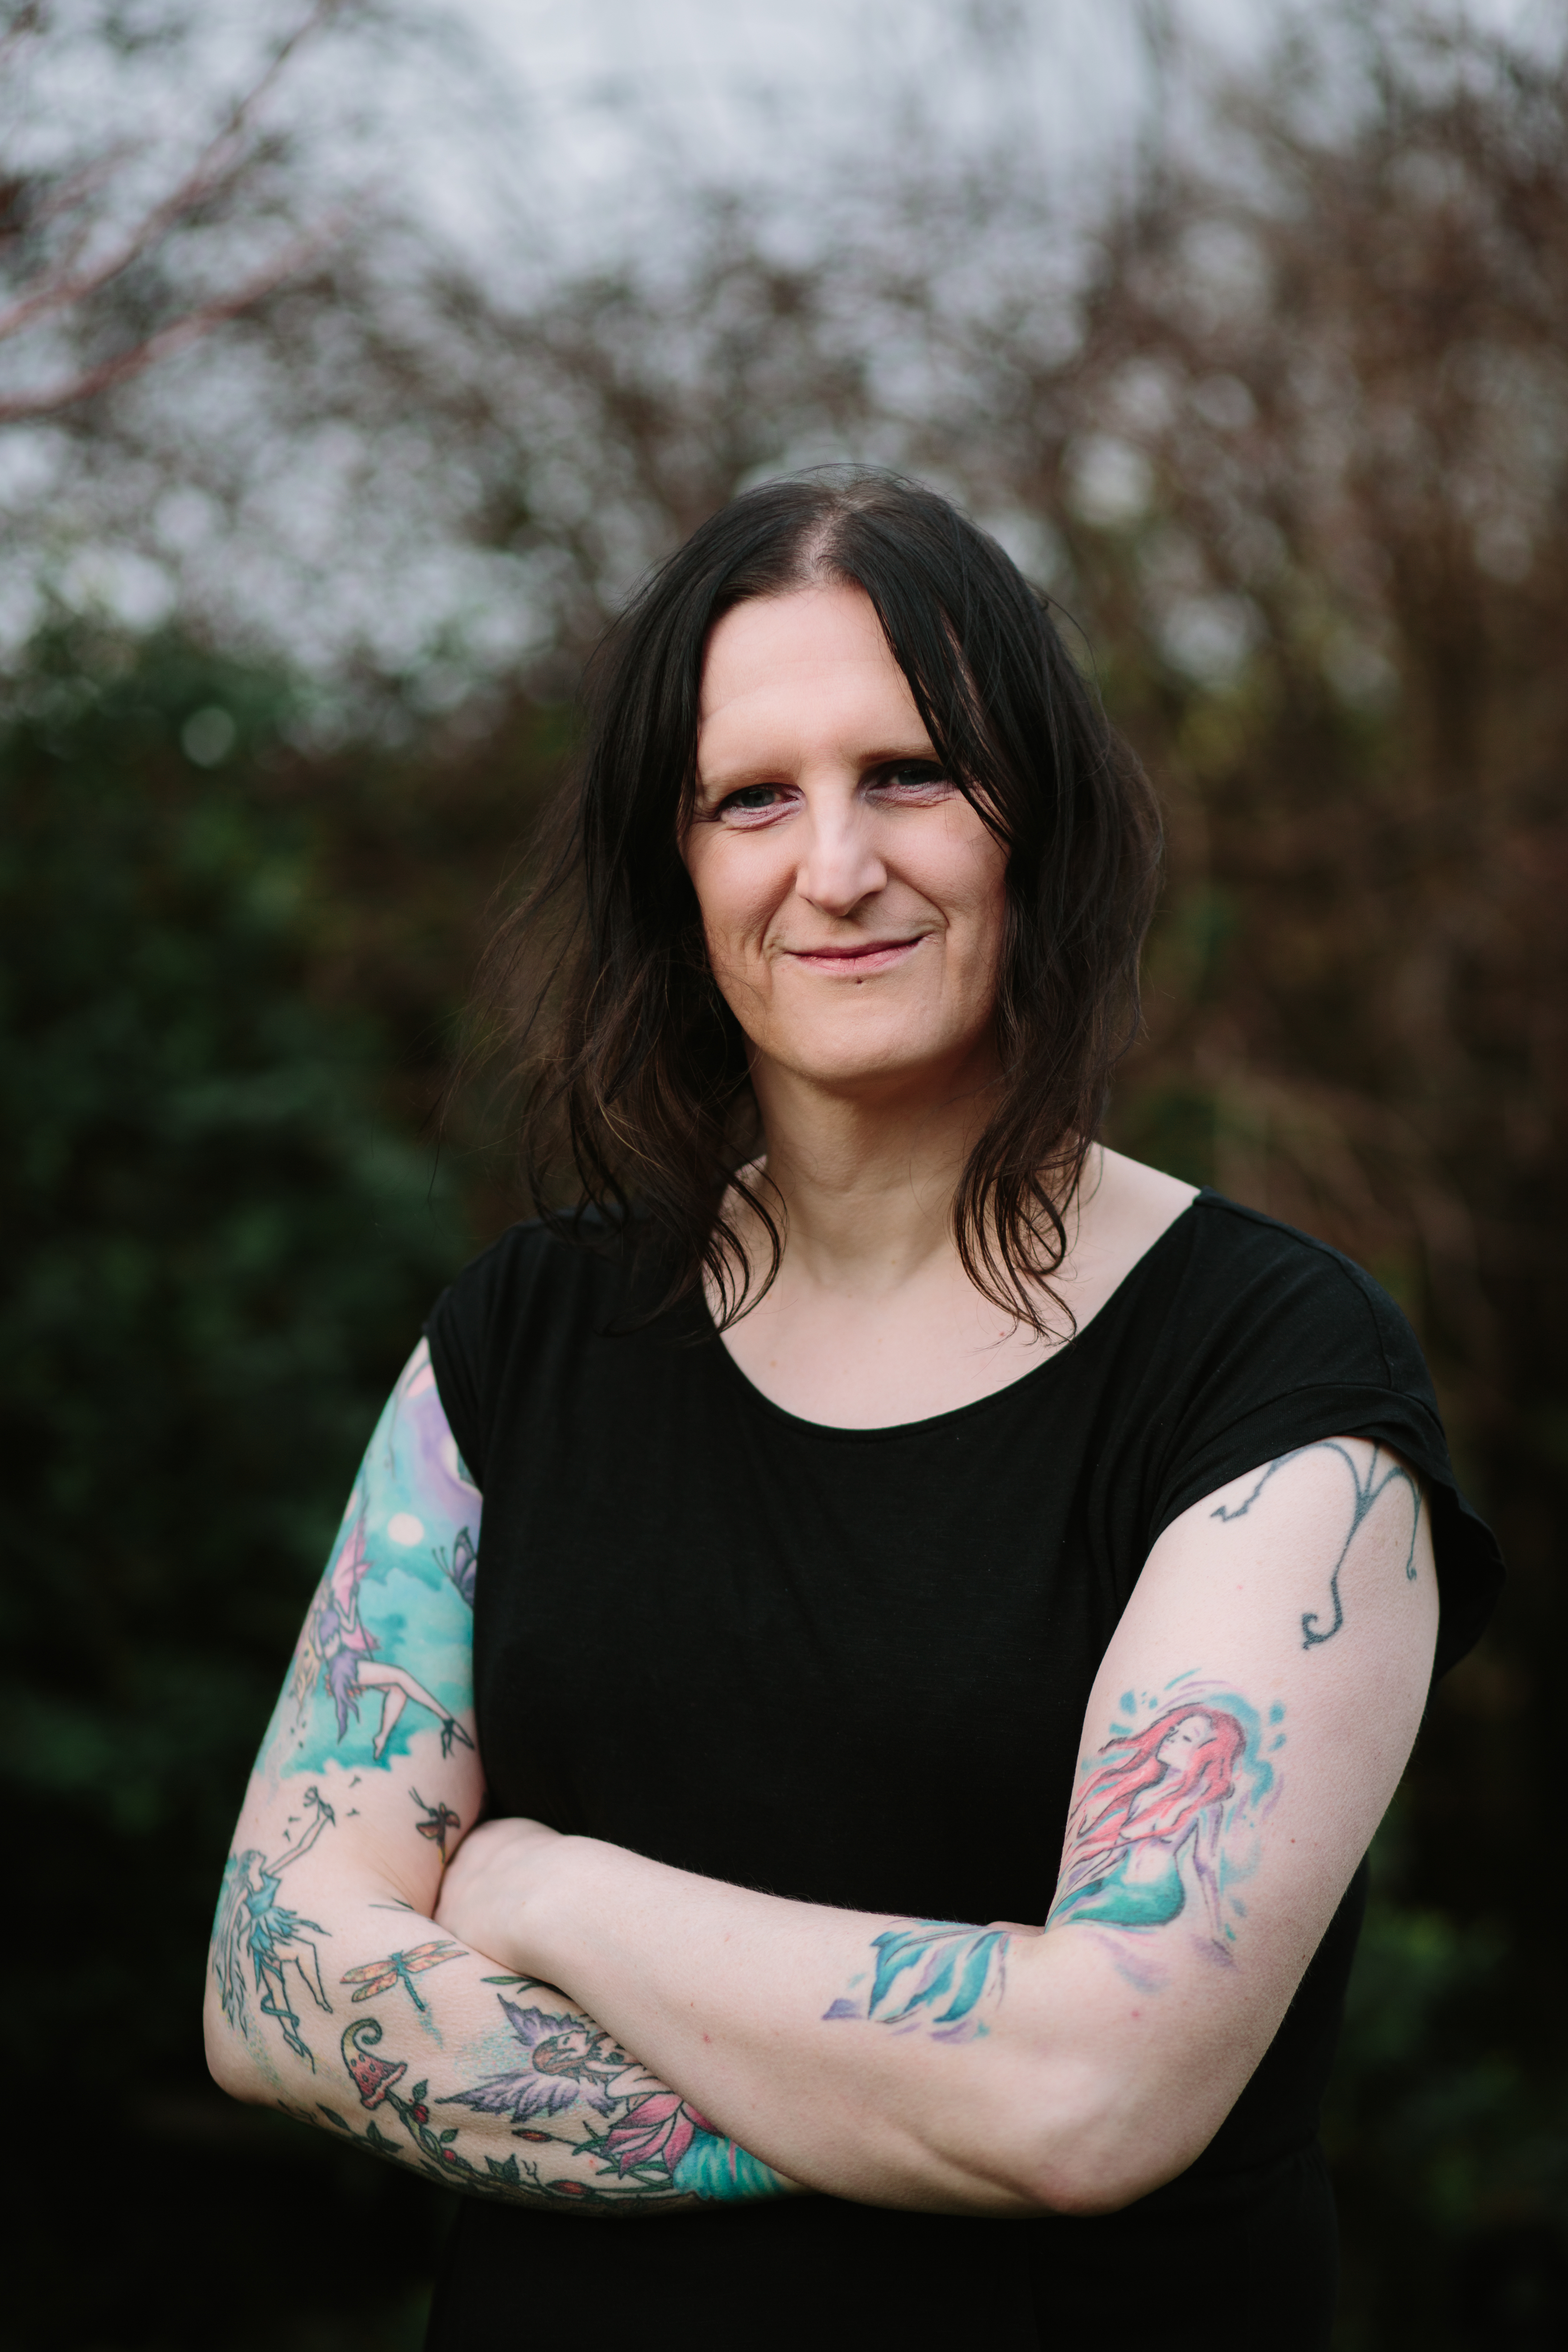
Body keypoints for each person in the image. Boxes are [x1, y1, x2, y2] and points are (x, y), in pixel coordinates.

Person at [205, 471, 1501, 2346]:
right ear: (679, 859)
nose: (834, 863)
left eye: (909, 771)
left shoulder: (1275, 1372)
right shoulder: (526, 1336)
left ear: (1033, 815)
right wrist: (924, 2092)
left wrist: (544, 1887)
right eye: (753, 796)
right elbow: (274, 1984)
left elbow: (1095, 2090)